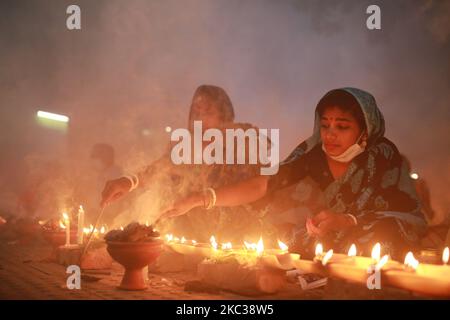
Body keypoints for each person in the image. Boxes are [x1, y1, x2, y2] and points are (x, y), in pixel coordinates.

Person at [160, 88, 427, 259]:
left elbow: (403, 213)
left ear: (365, 131)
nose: (330, 134)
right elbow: (264, 184)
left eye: (342, 126)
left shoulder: (382, 156)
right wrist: (200, 199)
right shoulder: (312, 153)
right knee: (274, 235)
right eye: (325, 125)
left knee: (386, 233)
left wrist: (346, 220)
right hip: (323, 238)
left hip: (370, 234)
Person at [101, 85, 266, 242]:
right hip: (195, 243)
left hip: (243, 241)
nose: (199, 119)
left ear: (224, 117)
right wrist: (129, 182)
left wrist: (198, 199)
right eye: (195, 112)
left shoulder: (245, 139)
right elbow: (161, 168)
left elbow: (257, 187)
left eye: (208, 113)